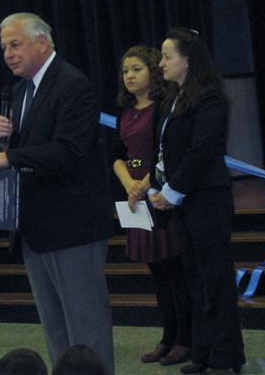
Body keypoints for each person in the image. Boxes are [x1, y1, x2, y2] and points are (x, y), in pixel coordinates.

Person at [0, 13, 114, 375]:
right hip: (35, 227)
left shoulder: (72, 84)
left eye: (15, 44)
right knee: (55, 328)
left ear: (42, 42)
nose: (8, 53)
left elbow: (68, 151)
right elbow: (30, 153)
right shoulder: (21, 90)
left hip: (72, 227)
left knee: (85, 327)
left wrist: (8, 157)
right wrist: (5, 142)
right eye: (4, 47)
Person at [149, 27, 246, 375]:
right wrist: (158, 187)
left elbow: (201, 151)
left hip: (207, 199)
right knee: (195, 277)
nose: (161, 63)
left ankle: (226, 357)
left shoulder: (209, 98)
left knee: (214, 278)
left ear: (188, 61)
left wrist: (172, 191)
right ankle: (203, 353)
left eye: (167, 56)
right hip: (185, 202)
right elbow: (167, 151)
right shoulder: (174, 98)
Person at [111, 45, 192, 366]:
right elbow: (117, 155)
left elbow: (167, 154)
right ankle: (168, 337)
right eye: (125, 71)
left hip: (159, 194)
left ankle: (185, 339)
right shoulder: (125, 112)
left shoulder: (163, 108)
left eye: (136, 69)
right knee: (157, 273)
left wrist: (144, 183)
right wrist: (128, 184)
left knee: (175, 272)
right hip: (135, 197)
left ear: (153, 72)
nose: (129, 76)